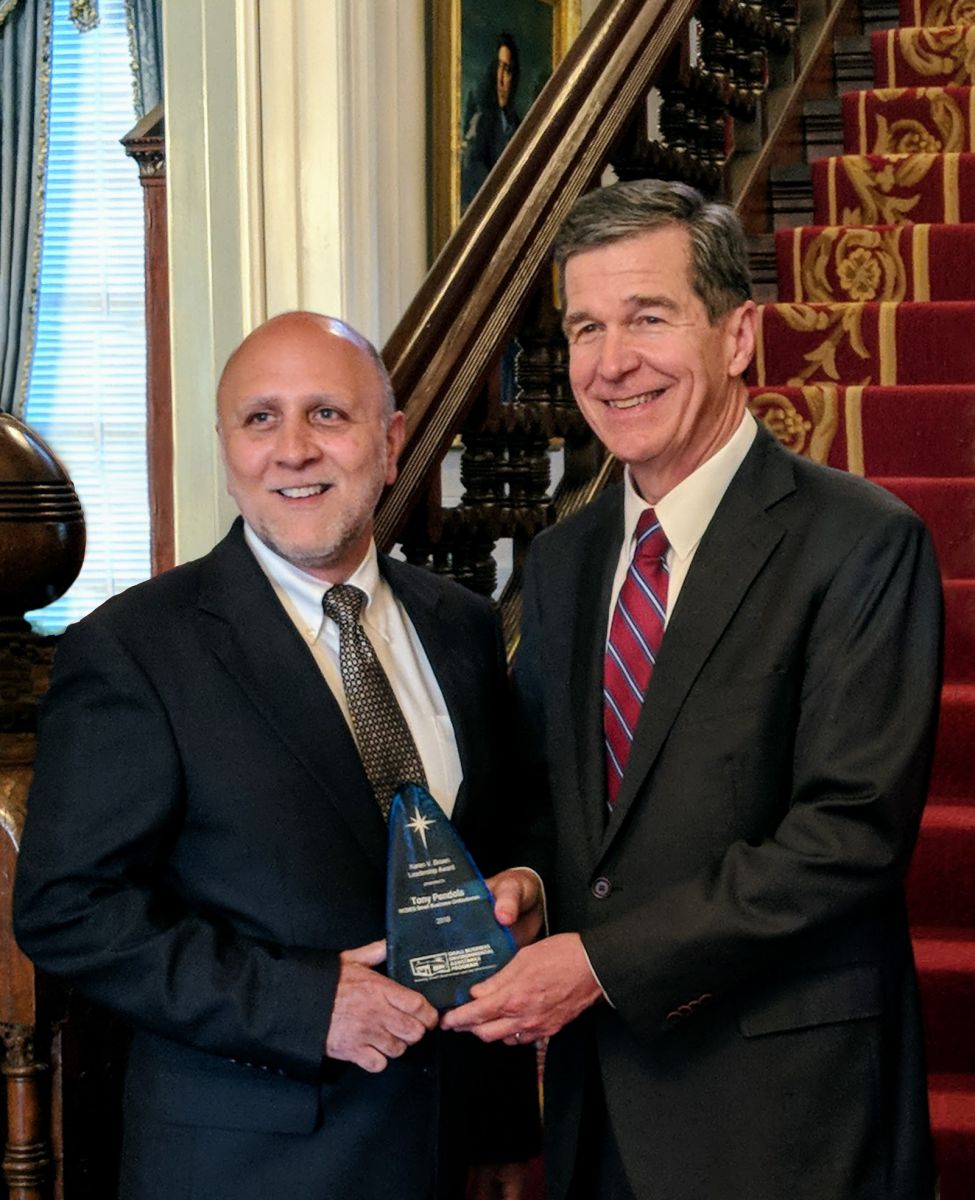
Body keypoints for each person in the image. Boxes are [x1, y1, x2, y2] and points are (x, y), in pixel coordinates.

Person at [443, 180, 943, 1199]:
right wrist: (531, 887)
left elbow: (847, 836)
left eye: (648, 318)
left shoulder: (862, 542)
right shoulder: (568, 557)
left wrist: (602, 964)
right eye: (586, 327)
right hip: (601, 1107)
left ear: (739, 335)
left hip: (787, 1106)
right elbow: (550, 797)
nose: (612, 361)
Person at [14, 313, 539, 1200]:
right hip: (251, 1161)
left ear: (390, 439)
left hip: (451, 1149)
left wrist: (524, 885)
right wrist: (302, 1006)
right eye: (260, 419)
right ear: (226, 446)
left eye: (327, 414)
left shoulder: (463, 627)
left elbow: (489, 845)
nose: (292, 450)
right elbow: (67, 911)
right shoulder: (137, 649)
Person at [461, 33, 522, 209]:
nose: (502, 79)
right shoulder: (482, 122)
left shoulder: (519, 126)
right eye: (499, 68)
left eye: (508, 70)